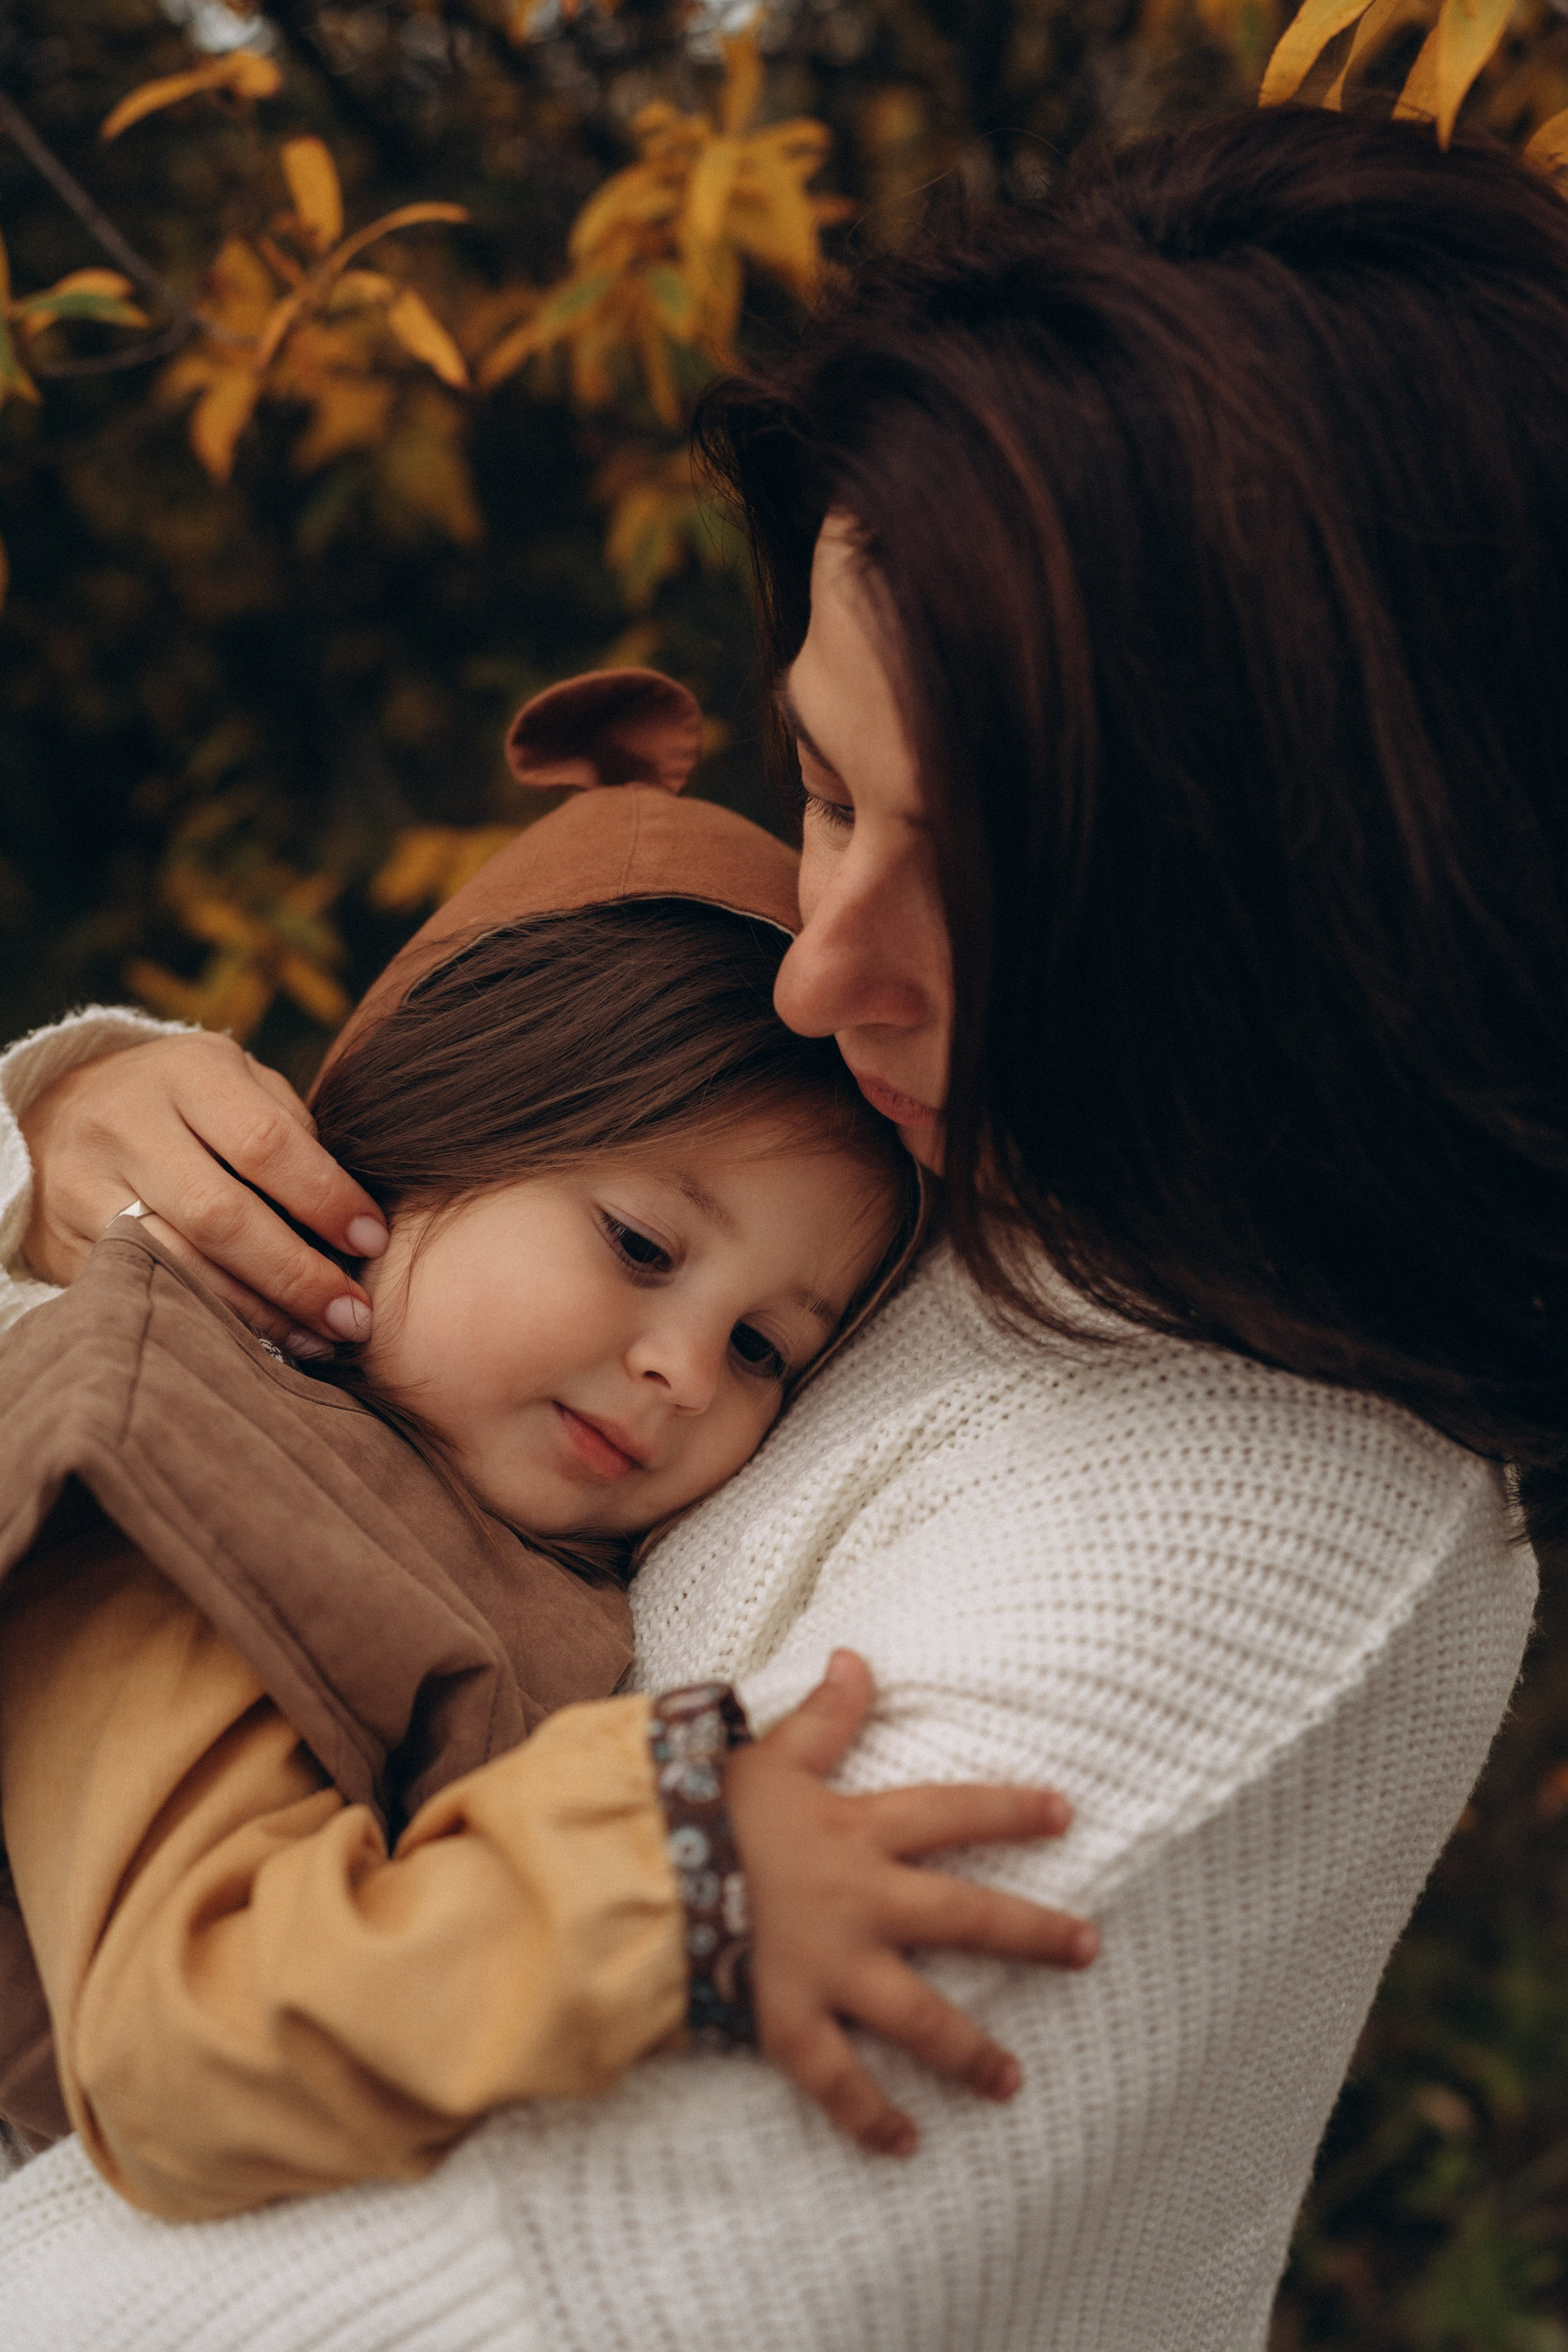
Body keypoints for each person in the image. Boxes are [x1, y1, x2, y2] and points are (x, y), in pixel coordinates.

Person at [0, 105, 1560, 2352]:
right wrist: (76, 1124)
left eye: (996, 886)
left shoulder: (1255, 1518)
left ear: (1312, 919)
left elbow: (478, 2282)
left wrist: (689, 1868)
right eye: (820, 793)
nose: (826, 979)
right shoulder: (982, 1149)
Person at [0, 667, 1091, 2220]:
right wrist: (676, 1877)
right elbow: (176, 2044)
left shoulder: (464, 1529)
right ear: (429, 1125)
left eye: (765, 1347)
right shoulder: (180, 1446)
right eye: (641, 1245)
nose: (680, 1369)